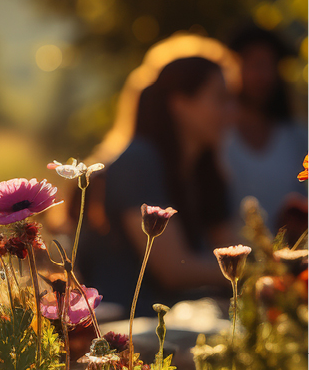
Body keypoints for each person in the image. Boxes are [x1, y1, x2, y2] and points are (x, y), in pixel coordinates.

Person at [78, 57, 236, 315]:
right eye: (220, 98)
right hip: (127, 328)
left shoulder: (202, 170)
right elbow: (173, 269)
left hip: (180, 318)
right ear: (180, 103)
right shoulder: (138, 161)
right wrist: (252, 271)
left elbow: (230, 244)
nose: (232, 111)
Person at [224, 26, 307, 237]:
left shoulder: (296, 138)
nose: (265, 76)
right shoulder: (217, 135)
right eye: (256, 65)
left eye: (271, 66)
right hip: (220, 262)